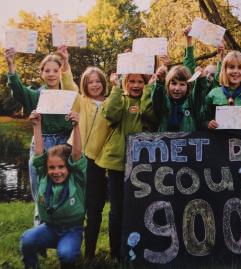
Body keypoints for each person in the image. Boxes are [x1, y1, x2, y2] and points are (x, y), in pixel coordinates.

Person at [4, 46, 78, 226]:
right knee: (40, 188)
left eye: (56, 70)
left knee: (65, 188)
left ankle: (64, 228)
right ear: (42, 73)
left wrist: (66, 60)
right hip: (41, 142)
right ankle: (40, 229)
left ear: (61, 72)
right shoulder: (36, 95)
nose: (51, 74)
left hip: (64, 144)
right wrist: (11, 64)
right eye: (47, 70)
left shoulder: (69, 93)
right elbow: (18, 90)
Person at [95, 72, 157, 260]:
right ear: (125, 83)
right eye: (132, 81)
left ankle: (137, 249)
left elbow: (150, 115)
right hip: (117, 163)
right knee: (116, 209)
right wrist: (115, 87)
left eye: (140, 82)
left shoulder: (148, 100)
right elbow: (111, 115)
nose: (136, 85)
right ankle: (116, 252)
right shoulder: (119, 99)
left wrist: (149, 91)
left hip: (141, 164)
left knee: (140, 207)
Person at [20, 111, 86, 269]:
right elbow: (38, 152)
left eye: (61, 167)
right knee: (27, 240)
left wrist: (76, 125)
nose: (56, 172)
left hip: (72, 230)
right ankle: (31, 266)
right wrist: (37, 125)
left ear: (69, 167)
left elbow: (76, 153)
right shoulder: (44, 175)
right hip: (49, 228)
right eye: (52, 167)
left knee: (66, 254)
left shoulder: (76, 177)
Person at [69, 67, 111, 258]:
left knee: (95, 209)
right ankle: (72, 248)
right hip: (78, 159)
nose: (94, 85)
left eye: (98, 81)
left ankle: (90, 253)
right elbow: (69, 84)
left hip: (99, 163)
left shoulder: (110, 103)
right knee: (77, 207)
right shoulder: (81, 101)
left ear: (103, 82)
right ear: (85, 85)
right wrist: (66, 65)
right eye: (90, 82)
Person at [202, 50, 241, 131]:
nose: (235, 71)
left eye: (240, 68)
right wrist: (208, 124)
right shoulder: (213, 94)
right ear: (224, 70)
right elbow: (201, 120)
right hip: (219, 141)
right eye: (231, 67)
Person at [152, 57, 208, 132]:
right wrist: (159, 82)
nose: (177, 88)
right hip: (166, 142)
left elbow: (199, 93)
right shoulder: (164, 102)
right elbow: (157, 97)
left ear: (188, 87)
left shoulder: (192, 103)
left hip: (187, 142)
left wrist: (201, 79)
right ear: (168, 85)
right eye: (174, 83)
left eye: (182, 84)